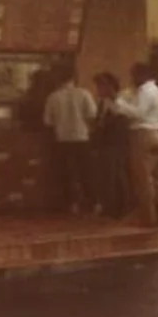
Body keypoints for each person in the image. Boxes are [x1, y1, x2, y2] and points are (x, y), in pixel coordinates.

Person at [113, 62, 158, 227]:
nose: (132, 79)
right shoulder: (156, 90)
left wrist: (121, 105)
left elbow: (139, 113)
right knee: (155, 178)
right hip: (155, 133)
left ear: (141, 75)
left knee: (142, 179)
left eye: (133, 75)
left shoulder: (145, 91)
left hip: (142, 135)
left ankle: (148, 217)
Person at [42, 61, 99, 215]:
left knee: (66, 173)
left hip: (62, 140)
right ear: (74, 77)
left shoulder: (53, 97)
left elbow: (48, 122)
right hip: (82, 138)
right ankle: (93, 202)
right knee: (87, 172)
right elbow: (92, 115)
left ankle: (72, 204)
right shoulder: (84, 94)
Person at [91, 72, 132, 218]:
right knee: (106, 175)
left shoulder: (120, 102)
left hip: (116, 143)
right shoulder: (102, 103)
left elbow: (122, 122)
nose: (98, 90)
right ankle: (108, 205)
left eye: (100, 86)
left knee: (117, 174)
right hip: (104, 143)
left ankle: (121, 207)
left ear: (109, 86)